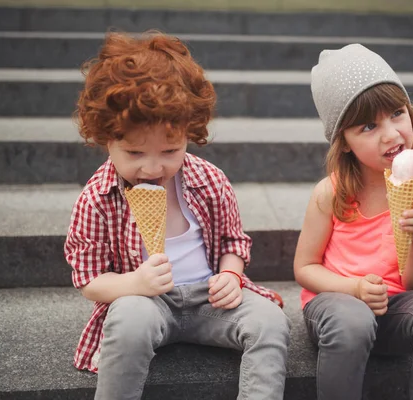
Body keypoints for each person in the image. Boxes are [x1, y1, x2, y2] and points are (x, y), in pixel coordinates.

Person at [64, 31, 289, 400]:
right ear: (106, 138)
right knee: (128, 321)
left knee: (270, 322)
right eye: (135, 154)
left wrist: (231, 274)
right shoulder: (97, 197)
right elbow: (90, 280)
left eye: (170, 150)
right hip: (146, 301)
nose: (153, 167)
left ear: (189, 134)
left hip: (209, 298)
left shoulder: (209, 180)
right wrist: (135, 283)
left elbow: (234, 241)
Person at [294, 44, 413, 400]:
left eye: (397, 113)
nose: (391, 134)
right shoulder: (331, 192)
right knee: (352, 322)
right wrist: (354, 289)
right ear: (343, 142)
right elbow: (305, 267)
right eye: (369, 125)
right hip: (335, 305)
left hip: (397, 309)